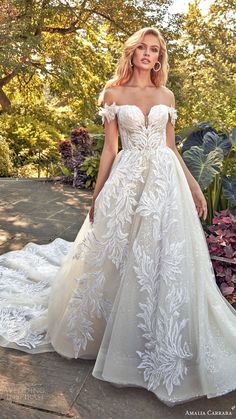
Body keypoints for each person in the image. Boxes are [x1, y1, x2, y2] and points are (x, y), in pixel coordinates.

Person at [0, 27, 235, 408]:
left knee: (163, 256)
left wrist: (193, 185)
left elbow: (171, 146)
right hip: (127, 180)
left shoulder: (166, 95)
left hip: (165, 181)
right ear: (132, 53)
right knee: (119, 253)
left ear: (159, 57)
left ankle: (158, 334)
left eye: (153, 49)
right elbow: (111, 148)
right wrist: (98, 195)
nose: (147, 53)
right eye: (141, 47)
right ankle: (112, 331)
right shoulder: (113, 93)